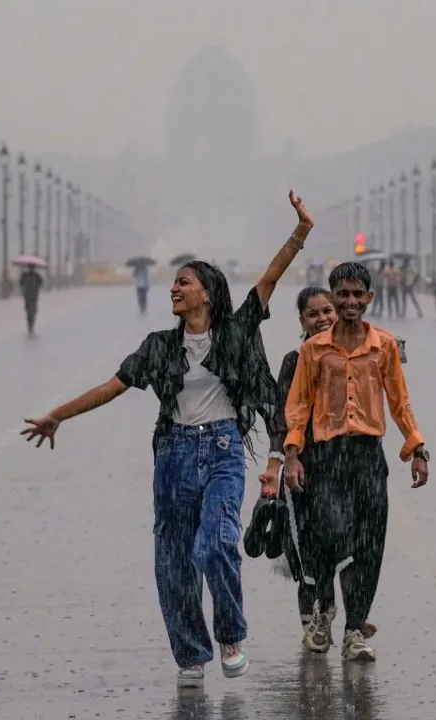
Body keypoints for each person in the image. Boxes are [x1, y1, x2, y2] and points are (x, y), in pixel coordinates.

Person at [21, 190, 314, 688]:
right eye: (174, 283)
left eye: (184, 282)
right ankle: (190, 656)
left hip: (222, 452)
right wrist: (59, 416)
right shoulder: (158, 346)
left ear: (207, 293)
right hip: (174, 457)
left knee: (216, 544)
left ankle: (230, 634)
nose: (174, 289)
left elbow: (269, 278)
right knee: (174, 560)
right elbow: (110, 388)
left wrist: (301, 231)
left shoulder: (238, 331)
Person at [283, 261, 430, 663]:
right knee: (331, 537)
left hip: (367, 456)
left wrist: (416, 448)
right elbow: (298, 405)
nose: (349, 301)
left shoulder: (383, 346)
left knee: (369, 546)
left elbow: (400, 401)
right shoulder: (313, 350)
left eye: (356, 294)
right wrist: (293, 454)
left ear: (369, 297)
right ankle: (323, 609)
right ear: (332, 297)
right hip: (327, 458)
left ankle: (354, 631)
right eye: (341, 294)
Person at [265, 286, 378, 652]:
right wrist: (285, 462)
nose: (323, 319)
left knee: (350, 544)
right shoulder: (294, 360)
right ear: (301, 321)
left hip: (346, 466)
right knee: (313, 549)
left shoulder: (354, 354)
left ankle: (352, 623)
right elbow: (282, 418)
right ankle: (318, 615)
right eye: (313, 314)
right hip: (306, 469)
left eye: (327, 310)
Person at [19, 266, 44, 335]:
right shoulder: (36, 275)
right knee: (33, 311)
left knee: (28, 311)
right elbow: (41, 283)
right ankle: (31, 325)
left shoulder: (26, 275)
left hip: (27, 296)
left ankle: (30, 325)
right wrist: (37, 287)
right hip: (33, 296)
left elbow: (20, 283)